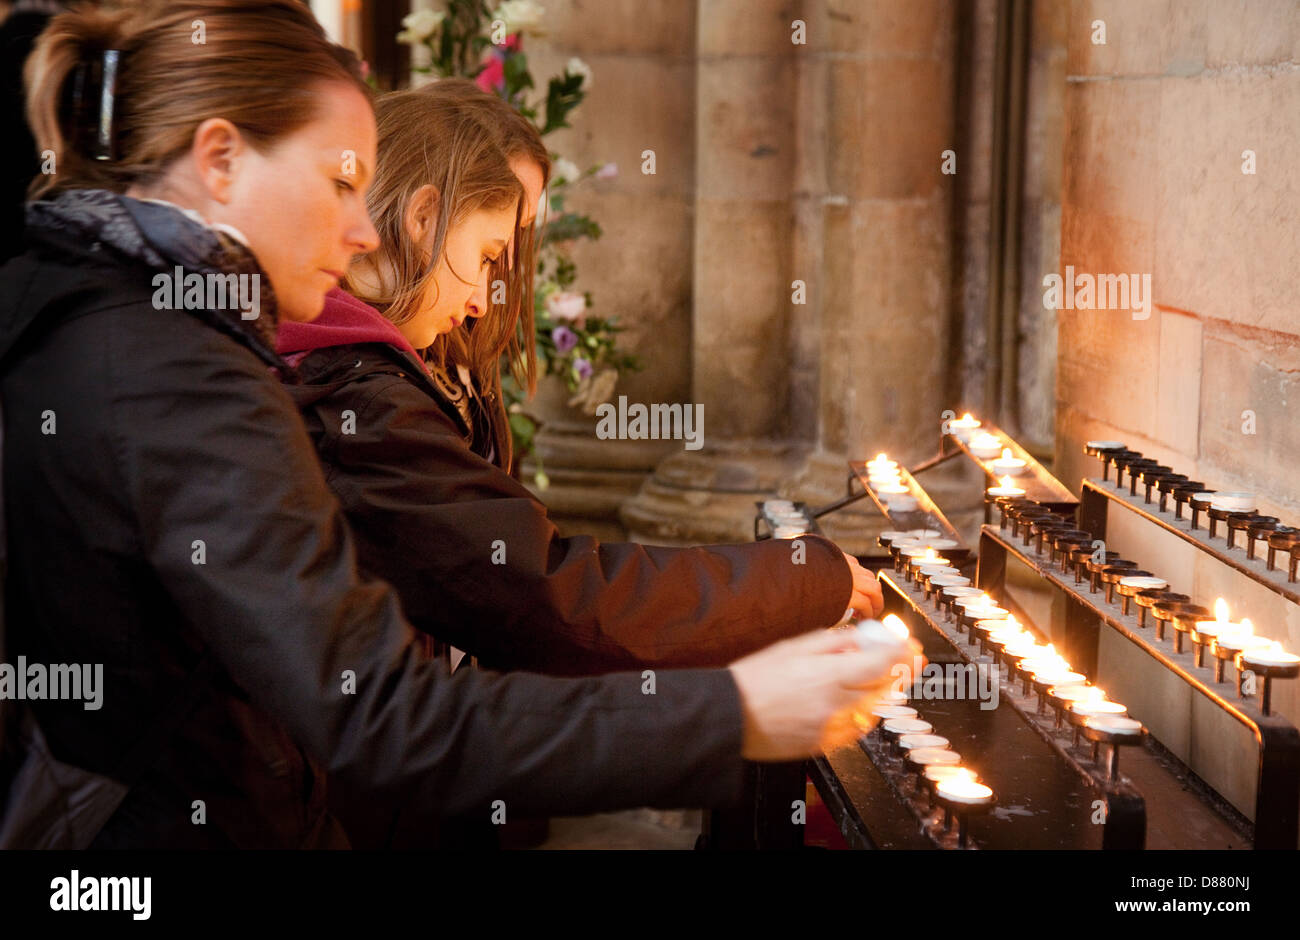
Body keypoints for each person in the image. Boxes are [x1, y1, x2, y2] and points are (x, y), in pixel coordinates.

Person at [0, 0, 909, 850]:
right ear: (221, 158)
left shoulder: (97, 305)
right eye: (341, 181)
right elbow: (382, 715)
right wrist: (739, 709)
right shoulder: (174, 370)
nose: (363, 229)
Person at [278, 82, 886, 678]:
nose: (487, 300)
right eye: (490, 255)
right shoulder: (357, 399)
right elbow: (553, 598)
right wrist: (796, 583)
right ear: (422, 215)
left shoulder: (359, 372)